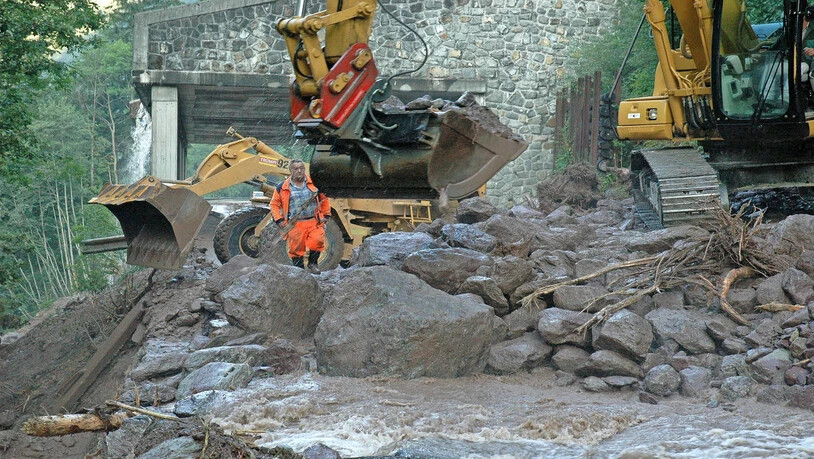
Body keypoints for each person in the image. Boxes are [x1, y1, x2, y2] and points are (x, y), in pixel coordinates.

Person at [270, 160, 330, 274]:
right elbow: (274, 204)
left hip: (314, 221)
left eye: (301, 168)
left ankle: (313, 264)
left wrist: (326, 215)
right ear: (291, 171)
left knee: (317, 241)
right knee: (296, 249)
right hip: (295, 224)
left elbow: (324, 198)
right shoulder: (281, 187)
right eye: (296, 168)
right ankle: (299, 271)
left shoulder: (315, 183)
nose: (299, 171)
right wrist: (279, 220)